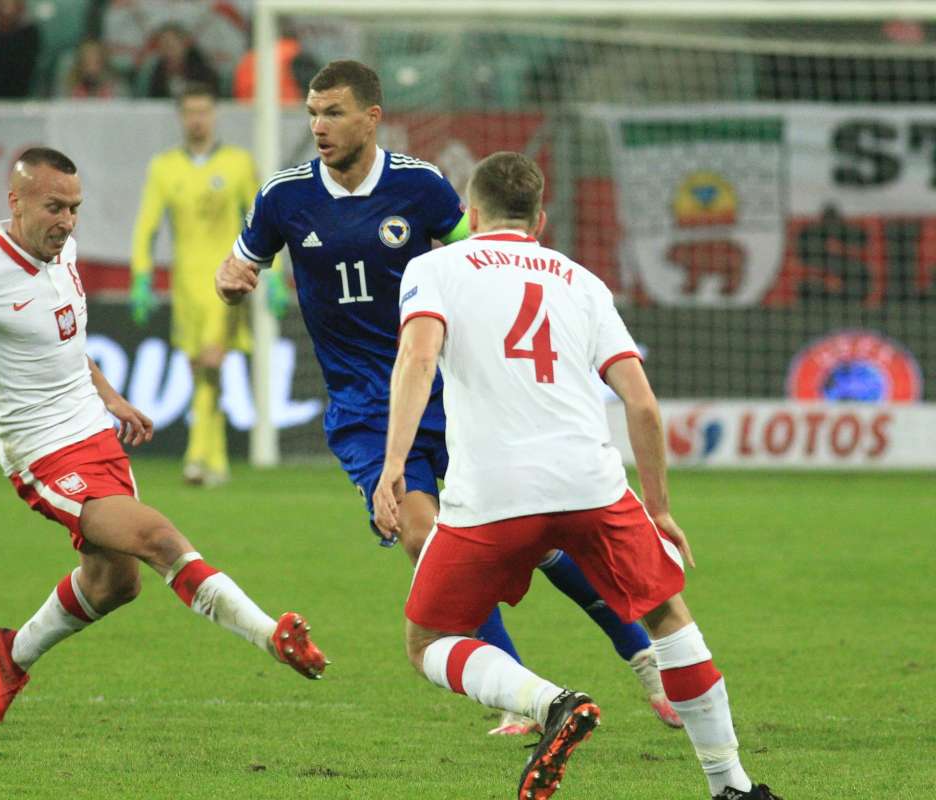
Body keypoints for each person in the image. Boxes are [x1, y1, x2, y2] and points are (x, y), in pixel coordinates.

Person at [215, 59, 679, 735]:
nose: (318, 126)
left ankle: (643, 657)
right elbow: (239, 265)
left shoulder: (421, 186)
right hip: (364, 408)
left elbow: (488, 262)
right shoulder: (284, 196)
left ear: (372, 117)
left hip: (451, 391)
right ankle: (521, 695)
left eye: (334, 112)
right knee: (423, 536)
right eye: (313, 113)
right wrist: (231, 281)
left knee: (536, 537)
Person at [0, 147, 327, 724]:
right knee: (158, 538)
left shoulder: (65, 253)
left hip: (96, 435)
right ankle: (271, 635)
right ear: (16, 202)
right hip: (43, 456)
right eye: (54, 208)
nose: (67, 222)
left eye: (75, 208)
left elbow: (69, 342)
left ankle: (11, 654)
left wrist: (112, 399)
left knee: (115, 585)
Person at [372, 151, 781, 800]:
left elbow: (419, 359)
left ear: (471, 214)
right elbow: (641, 403)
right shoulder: (582, 281)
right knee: (668, 616)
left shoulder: (434, 267)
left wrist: (394, 465)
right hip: (591, 484)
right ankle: (731, 786)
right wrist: (659, 509)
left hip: (493, 493)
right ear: (540, 220)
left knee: (428, 641)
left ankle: (549, 702)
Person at [130, 81, 257, 486]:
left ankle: (196, 457)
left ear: (214, 114)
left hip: (226, 282)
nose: (197, 119)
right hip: (185, 287)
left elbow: (261, 222)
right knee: (200, 371)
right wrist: (141, 276)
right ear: (181, 117)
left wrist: (273, 278)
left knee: (212, 359)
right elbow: (147, 225)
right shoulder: (164, 167)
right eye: (190, 112)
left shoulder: (238, 163)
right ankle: (216, 461)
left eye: (203, 111)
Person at [145, 23, 218, 99]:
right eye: (162, 46)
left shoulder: (201, 67)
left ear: (184, 44)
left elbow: (210, 94)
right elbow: (154, 97)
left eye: (170, 45)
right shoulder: (158, 68)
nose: (166, 51)